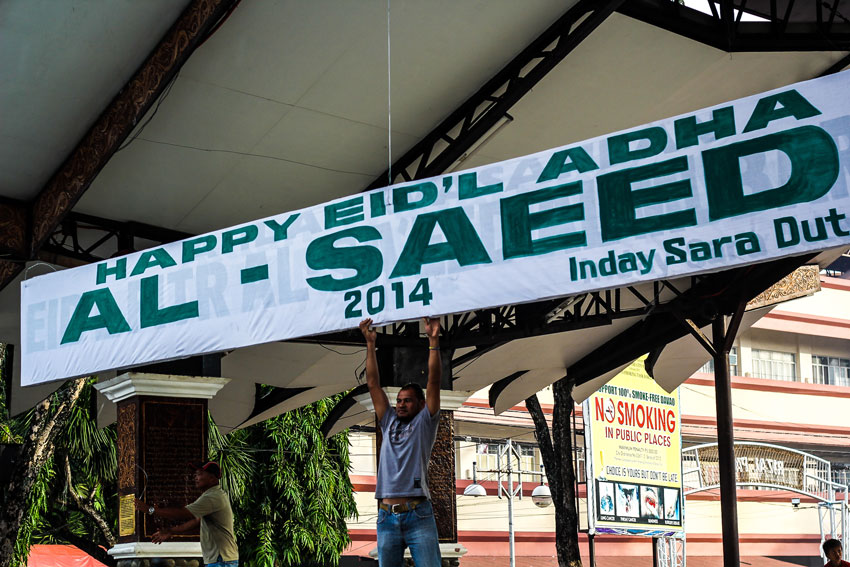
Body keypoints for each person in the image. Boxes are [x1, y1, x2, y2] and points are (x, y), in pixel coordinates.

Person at [359, 317, 442, 567]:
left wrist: (433, 341)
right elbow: (373, 383)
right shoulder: (388, 422)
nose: (401, 404)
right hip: (386, 516)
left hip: (419, 513)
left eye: (408, 400)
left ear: (419, 404)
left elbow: (433, 382)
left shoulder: (425, 422)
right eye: (399, 400)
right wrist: (370, 344)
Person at [134, 461, 239, 567]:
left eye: (200, 474)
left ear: (212, 478)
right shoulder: (211, 495)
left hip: (221, 560)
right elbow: (196, 521)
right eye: (195, 475)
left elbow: (183, 513)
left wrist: (150, 510)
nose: (196, 477)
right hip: (218, 559)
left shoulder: (213, 497)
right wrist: (171, 531)